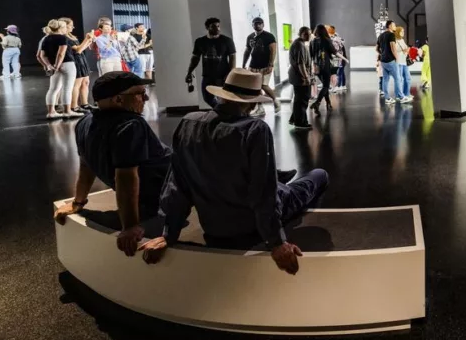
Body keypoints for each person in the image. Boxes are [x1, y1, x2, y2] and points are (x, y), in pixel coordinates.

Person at [139, 69, 330, 275]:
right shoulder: (254, 129)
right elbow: (263, 193)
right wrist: (276, 242)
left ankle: (278, 177)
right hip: (250, 224)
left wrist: (169, 233)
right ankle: (281, 179)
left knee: (265, 177)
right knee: (318, 176)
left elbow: (177, 184)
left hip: (214, 227)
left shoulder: (188, 123)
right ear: (253, 103)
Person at [53, 72, 169, 256]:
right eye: (139, 94)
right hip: (159, 195)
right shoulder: (130, 125)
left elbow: (86, 165)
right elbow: (126, 177)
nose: (146, 98)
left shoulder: (85, 122)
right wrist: (130, 226)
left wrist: (78, 201)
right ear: (118, 100)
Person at [186, 17, 237, 109]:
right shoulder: (200, 41)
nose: (217, 29)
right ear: (207, 28)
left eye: (218, 26)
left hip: (222, 75)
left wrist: (230, 74)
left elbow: (233, 58)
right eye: (213, 26)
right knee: (207, 98)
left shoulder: (227, 41)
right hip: (207, 75)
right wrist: (189, 72)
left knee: (224, 98)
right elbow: (195, 58)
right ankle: (221, 111)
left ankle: (225, 114)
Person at [43, 19, 81, 119]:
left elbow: (43, 55)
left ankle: (51, 113)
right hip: (67, 64)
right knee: (67, 89)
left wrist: (50, 66)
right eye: (64, 27)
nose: (66, 29)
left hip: (54, 66)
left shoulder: (46, 38)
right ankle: (67, 111)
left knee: (53, 89)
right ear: (60, 28)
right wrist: (57, 65)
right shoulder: (62, 38)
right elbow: (61, 53)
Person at [242, 17, 281, 117]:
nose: (257, 25)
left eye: (259, 23)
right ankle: (260, 107)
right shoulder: (250, 37)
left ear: (263, 25)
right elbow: (247, 51)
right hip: (253, 65)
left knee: (263, 85)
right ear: (252, 25)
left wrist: (271, 64)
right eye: (255, 23)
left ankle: (275, 101)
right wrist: (243, 64)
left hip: (265, 65)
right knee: (256, 87)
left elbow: (273, 50)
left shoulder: (269, 36)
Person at [60, 18, 95, 113]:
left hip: (81, 59)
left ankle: (85, 104)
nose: (73, 27)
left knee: (85, 82)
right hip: (74, 60)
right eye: (71, 25)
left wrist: (89, 40)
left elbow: (82, 49)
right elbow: (78, 50)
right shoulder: (64, 38)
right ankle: (74, 106)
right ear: (65, 26)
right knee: (77, 84)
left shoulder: (72, 36)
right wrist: (86, 39)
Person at [286, 26, 313, 129]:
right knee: (303, 99)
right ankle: (300, 122)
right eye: (306, 34)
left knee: (299, 99)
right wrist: (306, 78)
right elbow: (300, 64)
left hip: (298, 76)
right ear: (300, 34)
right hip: (299, 77)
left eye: (309, 34)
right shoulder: (299, 45)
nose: (308, 36)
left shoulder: (300, 43)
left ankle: (296, 119)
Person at [309, 25, 340, 113]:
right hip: (325, 66)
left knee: (324, 86)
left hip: (316, 67)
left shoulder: (312, 41)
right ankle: (317, 102)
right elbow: (334, 51)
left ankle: (328, 103)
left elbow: (310, 55)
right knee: (326, 86)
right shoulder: (327, 40)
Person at [377, 20, 404, 104]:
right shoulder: (391, 34)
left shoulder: (380, 35)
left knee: (385, 79)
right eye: (394, 25)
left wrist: (383, 54)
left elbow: (376, 48)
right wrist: (397, 58)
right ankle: (401, 97)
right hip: (391, 60)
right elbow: (393, 48)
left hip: (383, 61)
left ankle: (387, 98)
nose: (395, 26)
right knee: (397, 79)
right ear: (389, 26)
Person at [395, 26, 414, 104]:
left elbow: (406, 48)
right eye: (401, 31)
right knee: (399, 80)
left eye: (403, 31)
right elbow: (395, 51)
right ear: (397, 32)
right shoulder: (394, 40)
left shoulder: (402, 40)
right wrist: (404, 50)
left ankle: (406, 93)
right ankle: (399, 95)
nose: (403, 33)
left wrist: (407, 49)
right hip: (399, 62)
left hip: (404, 62)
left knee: (407, 78)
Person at [329, 25, 347, 93]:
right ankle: (342, 85)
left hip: (339, 59)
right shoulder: (340, 43)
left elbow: (337, 52)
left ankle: (338, 86)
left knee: (339, 73)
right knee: (341, 72)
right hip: (340, 59)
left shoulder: (336, 43)